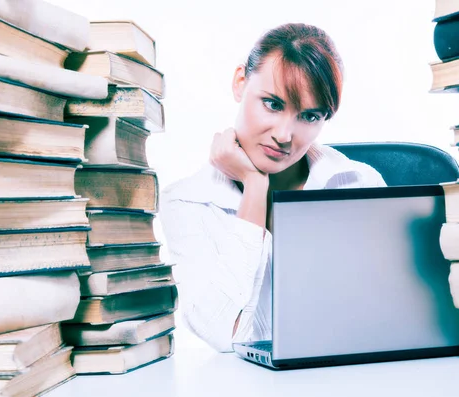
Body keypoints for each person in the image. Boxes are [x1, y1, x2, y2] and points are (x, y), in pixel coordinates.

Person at [160, 23, 386, 353]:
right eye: (273, 104)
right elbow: (223, 334)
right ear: (240, 82)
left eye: (309, 116)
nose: (284, 135)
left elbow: (385, 316)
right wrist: (255, 188)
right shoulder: (186, 201)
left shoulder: (358, 183)